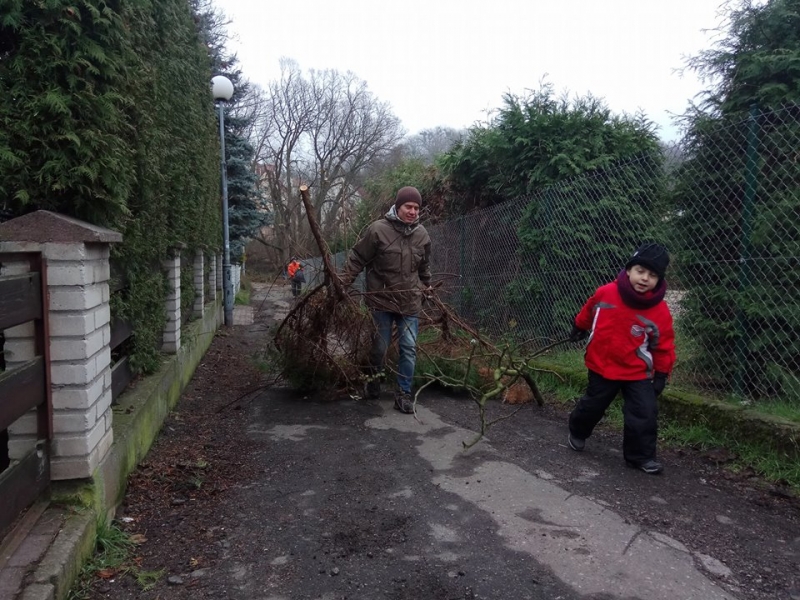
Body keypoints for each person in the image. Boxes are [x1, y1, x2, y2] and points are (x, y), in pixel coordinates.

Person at [567, 243, 676, 475]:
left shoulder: (660, 311)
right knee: (593, 406)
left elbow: (663, 345)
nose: (645, 278)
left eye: (652, 275)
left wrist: (662, 373)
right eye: (640, 271)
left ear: (659, 279)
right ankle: (577, 429)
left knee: (644, 412)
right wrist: (579, 326)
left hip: (637, 371)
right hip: (602, 365)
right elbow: (589, 310)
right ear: (629, 270)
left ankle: (641, 457)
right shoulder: (606, 292)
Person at [341, 186, 431, 414]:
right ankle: (373, 381)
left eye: (416, 208)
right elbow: (358, 258)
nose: (413, 211)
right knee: (379, 348)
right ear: (397, 207)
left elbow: (423, 267)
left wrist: (427, 287)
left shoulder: (422, 235)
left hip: (410, 302)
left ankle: (403, 394)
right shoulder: (378, 230)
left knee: (408, 348)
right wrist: (342, 284)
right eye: (408, 207)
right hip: (381, 300)